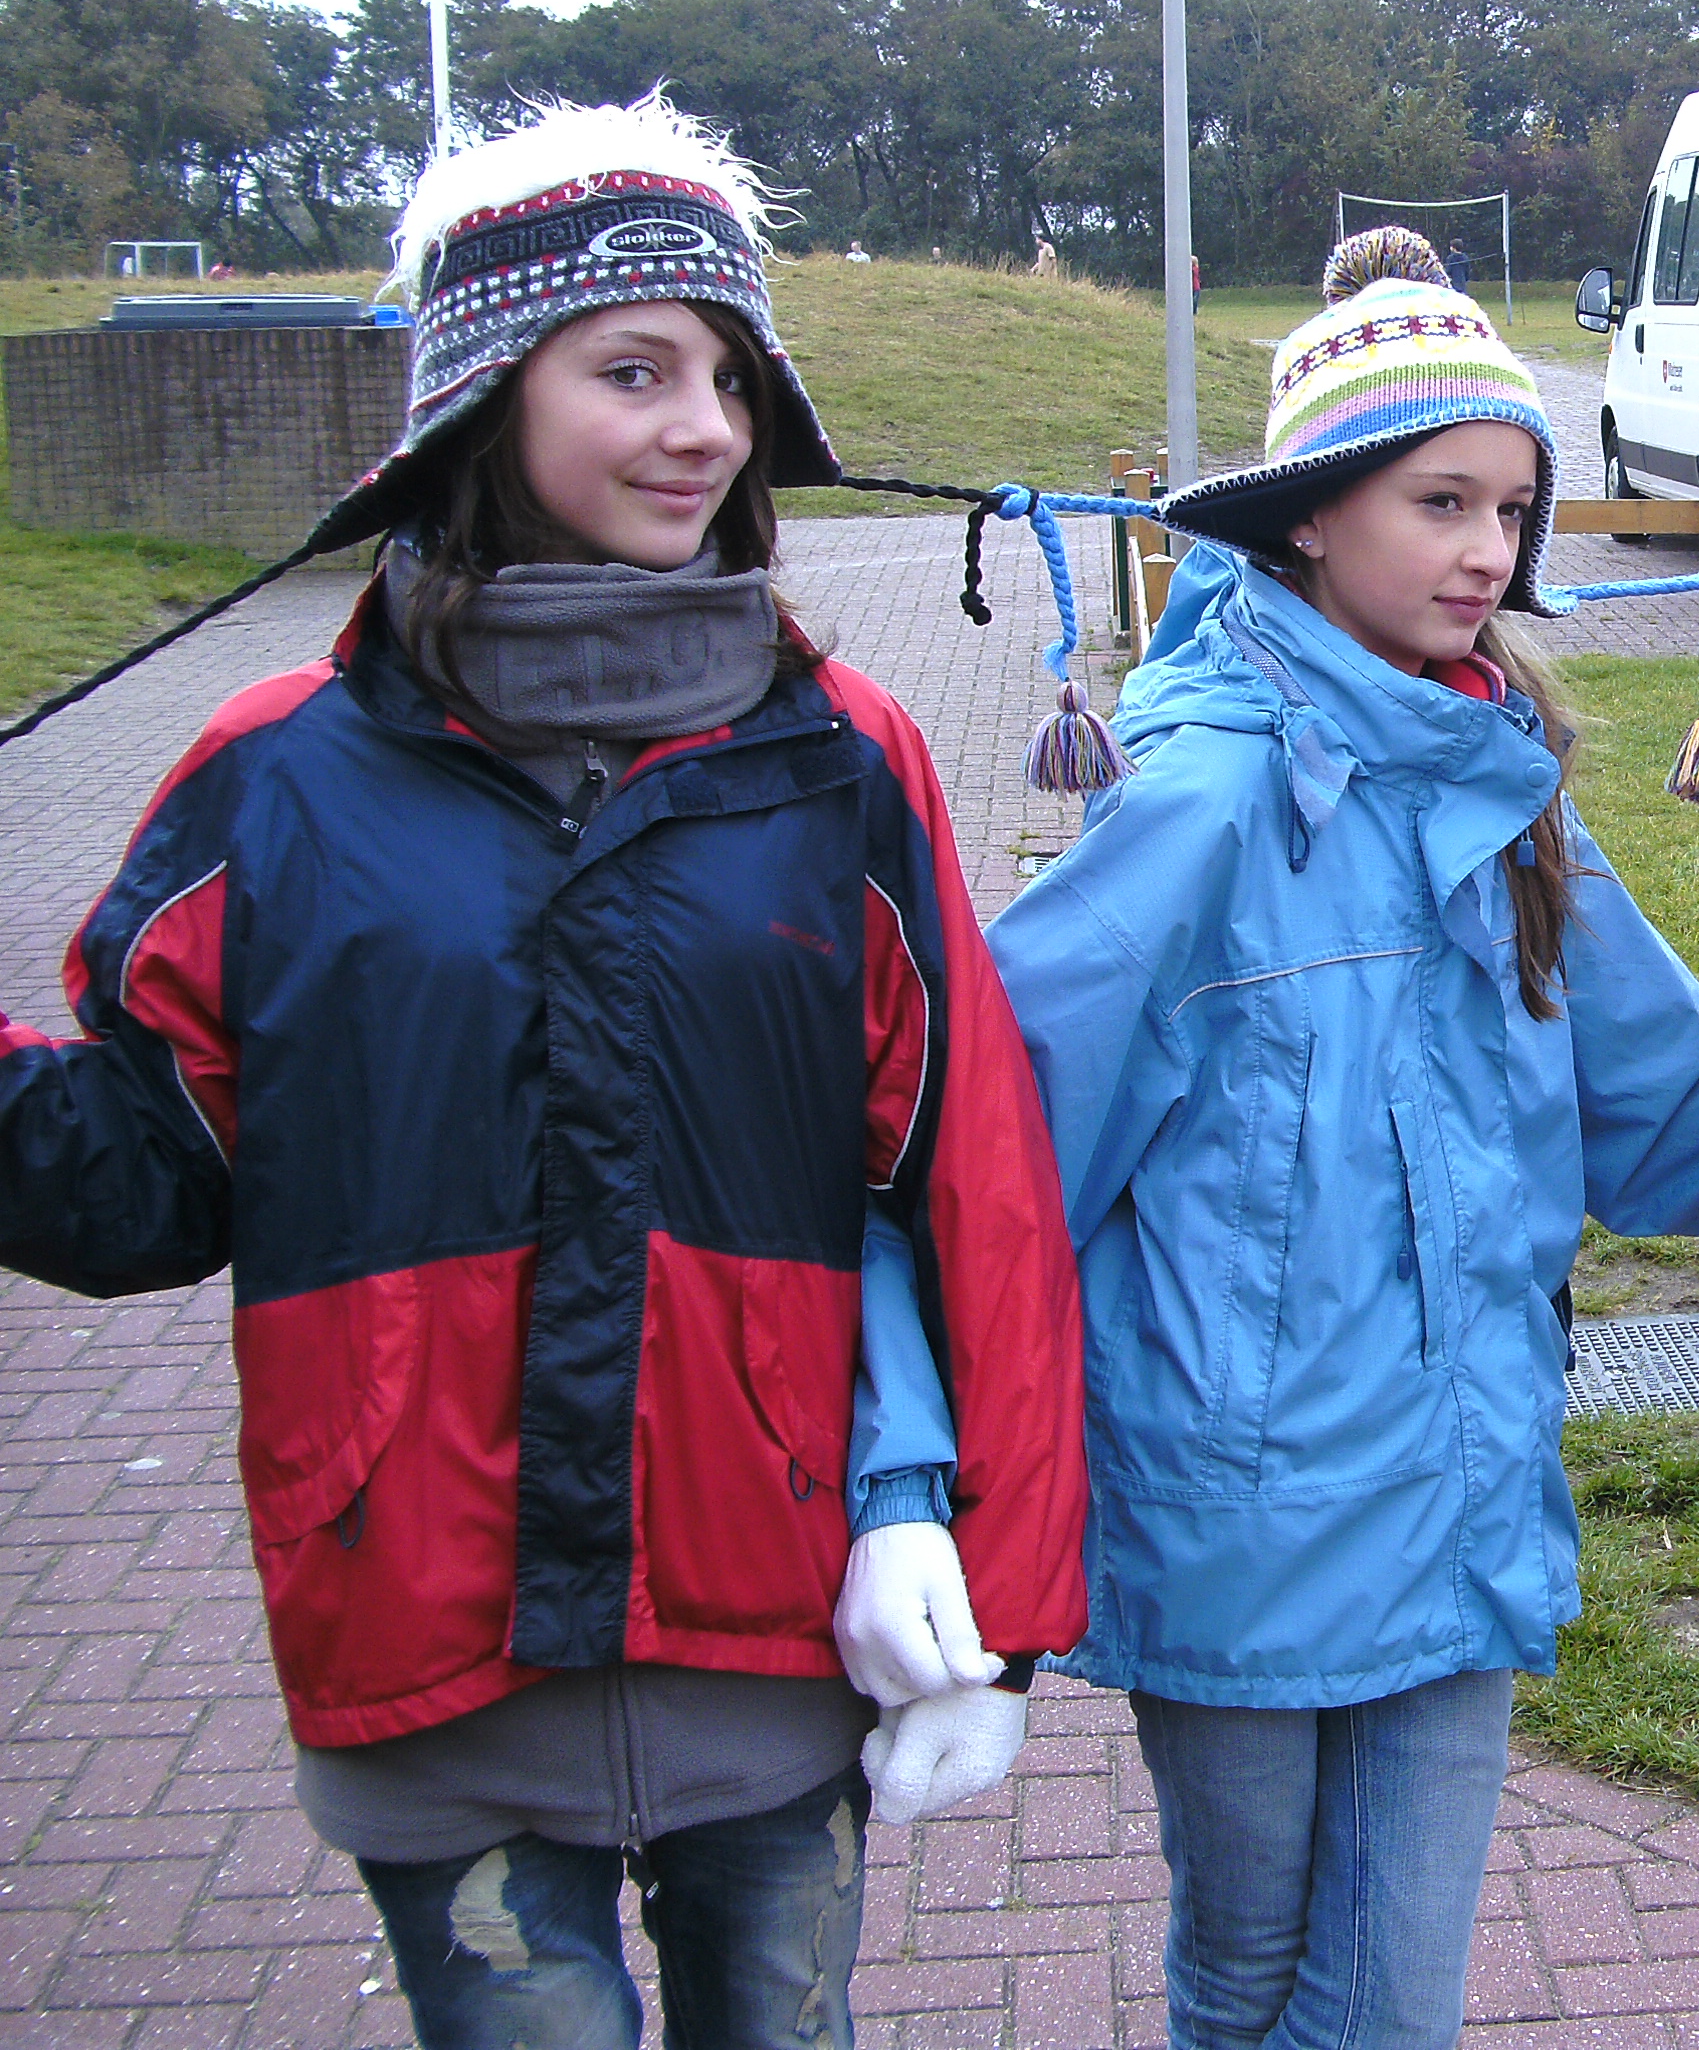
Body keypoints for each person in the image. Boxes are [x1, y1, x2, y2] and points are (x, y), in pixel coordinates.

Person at [0, 99, 1090, 2050]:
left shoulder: (843, 758)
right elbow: (143, 1174)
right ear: (485, 393)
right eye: (636, 371)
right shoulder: (277, 775)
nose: (707, 431)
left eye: (731, 379)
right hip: (427, 1633)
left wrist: (999, 1600)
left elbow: (969, 1183)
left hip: (779, 1629)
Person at [888, 226, 1699, 2050]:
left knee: (1382, 2004)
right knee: (1244, 1975)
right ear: (1308, 516)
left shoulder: (1504, 794)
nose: (1486, 551)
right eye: (1439, 501)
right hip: (1234, 1523)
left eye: (1512, 509)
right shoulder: (1203, 802)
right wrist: (921, 1500)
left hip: (1460, 1497)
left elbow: (1666, 1109)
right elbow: (989, 1174)